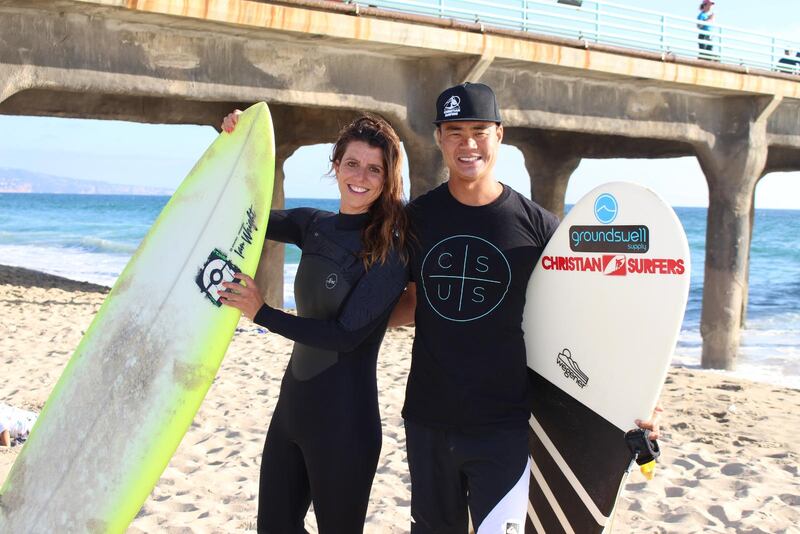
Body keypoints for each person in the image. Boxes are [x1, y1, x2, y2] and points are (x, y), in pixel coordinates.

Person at [389, 82, 662, 533]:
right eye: (454, 131)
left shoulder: (540, 228)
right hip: (427, 420)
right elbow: (408, 300)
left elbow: (596, 314)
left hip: (503, 426)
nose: (467, 143)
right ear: (438, 138)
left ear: (500, 134)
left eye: (479, 130)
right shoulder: (416, 218)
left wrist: (642, 397)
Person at [218, 112, 409, 533]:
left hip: (346, 423)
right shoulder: (314, 226)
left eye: (374, 168)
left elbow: (344, 337)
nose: (361, 176)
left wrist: (263, 313)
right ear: (335, 164)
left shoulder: (389, 252)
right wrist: (237, 143)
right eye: (352, 163)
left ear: (387, 178)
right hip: (291, 412)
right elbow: (246, 213)